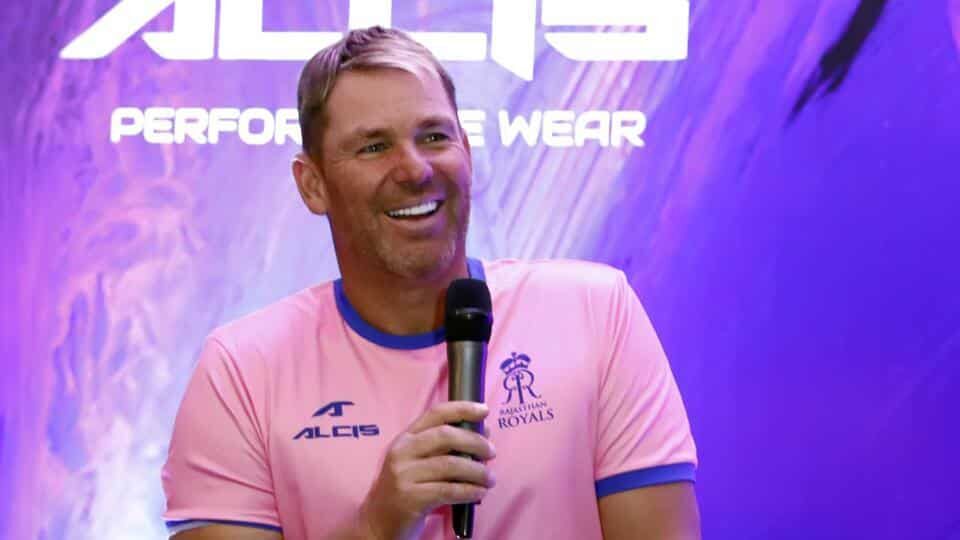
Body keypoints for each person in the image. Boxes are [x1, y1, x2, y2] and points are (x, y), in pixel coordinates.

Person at [161, 26, 700, 540]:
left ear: (467, 151)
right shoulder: (242, 371)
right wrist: (377, 525)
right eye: (374, 146)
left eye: (434, 136)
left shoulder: (594, 313)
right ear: (313, 185)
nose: (415, 168)